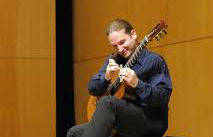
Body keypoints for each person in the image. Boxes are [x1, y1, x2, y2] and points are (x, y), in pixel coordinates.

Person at [67, 19, 172, 137]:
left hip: (150, 121)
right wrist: (106, 77)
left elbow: (162, 98)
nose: (120, 49)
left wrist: (138, 84)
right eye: (115, 46)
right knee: (74, 133)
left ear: (133, 34)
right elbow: (92, 89)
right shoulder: (114, 59)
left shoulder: (154, 61)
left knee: (108, 103)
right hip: (121, 120)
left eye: (122, 42)